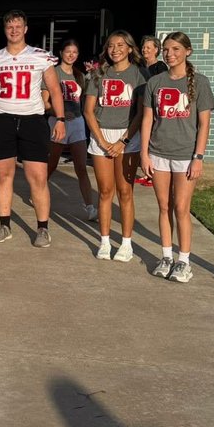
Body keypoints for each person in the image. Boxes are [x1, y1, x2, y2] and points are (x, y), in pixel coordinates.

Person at [0, 10, 68, 248]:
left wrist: (60, 118)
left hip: (32, 119)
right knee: (3, 174)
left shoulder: (41, 56)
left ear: (26, 29)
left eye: (18, 26)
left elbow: (55, 89)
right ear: (4, 30)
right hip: (2, 119)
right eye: (10, 27)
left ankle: (42, 228)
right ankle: (4, 224)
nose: (14, 30)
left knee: (37, 177)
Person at [141, 32, 214, 283]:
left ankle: (184, 261)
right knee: (164, 207)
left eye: (175, 49)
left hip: (186, 155)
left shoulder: (200, 83)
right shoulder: (155, 82)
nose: (170, 54)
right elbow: (148, 119)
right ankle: (166, 256)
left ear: (188, 51)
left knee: (182, 208)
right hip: (158, 153)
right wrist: (144, 153)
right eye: (166, 50)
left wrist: (199, 156)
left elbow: (204, 124)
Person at [83, 30, 148, 262]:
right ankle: (104, 241)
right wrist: (101, 141)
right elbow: (88, 111)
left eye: (121, 45)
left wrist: (123, 141)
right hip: (102, 137)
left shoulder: (140, 74)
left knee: (125, 192)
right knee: (105, 192)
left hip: (127, 138)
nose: (115, 49)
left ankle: (126, 244)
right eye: (111, 45)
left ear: (130, 48)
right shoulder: (99, 74)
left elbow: (141, 112)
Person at [45, 38, 97, 221]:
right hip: (57, 122)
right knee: (51, 164)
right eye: (68, 51)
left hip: (77, 123)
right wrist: (58, 113)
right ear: (61, 53)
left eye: (75, 52)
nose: (71, 55)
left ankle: (90, 207)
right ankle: (39, 193)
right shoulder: (53, 73)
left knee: (81, 167)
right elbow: (45, 102)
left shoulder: (80, 75)